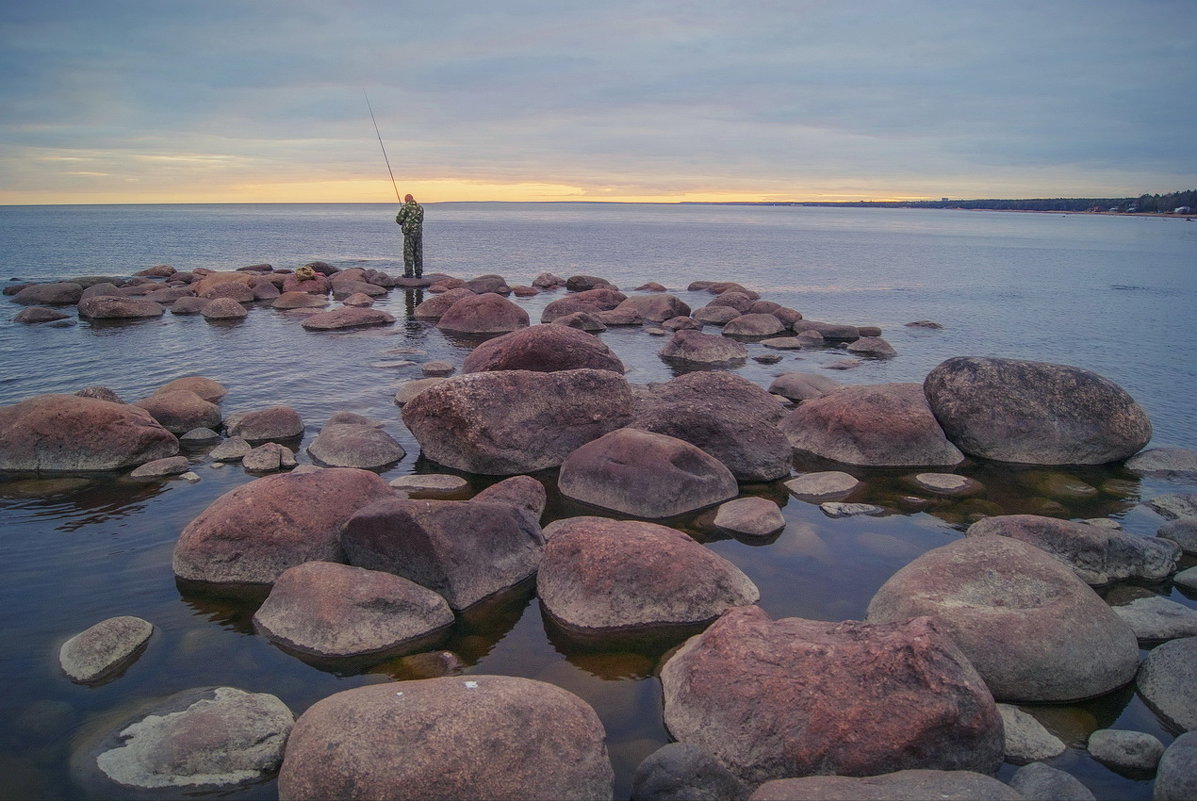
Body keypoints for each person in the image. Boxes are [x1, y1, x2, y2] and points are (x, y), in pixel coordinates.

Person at [395, 194, 424, 278]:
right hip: (418, 232)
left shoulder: (406, 207)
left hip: (409, 232)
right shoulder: (420, 208)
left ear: (406, 200)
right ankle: (419, 273)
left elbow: (399, 220)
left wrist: (403, 221)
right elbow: (421, 220)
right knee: (418, 252)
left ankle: (409, 273)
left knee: (408, 252)